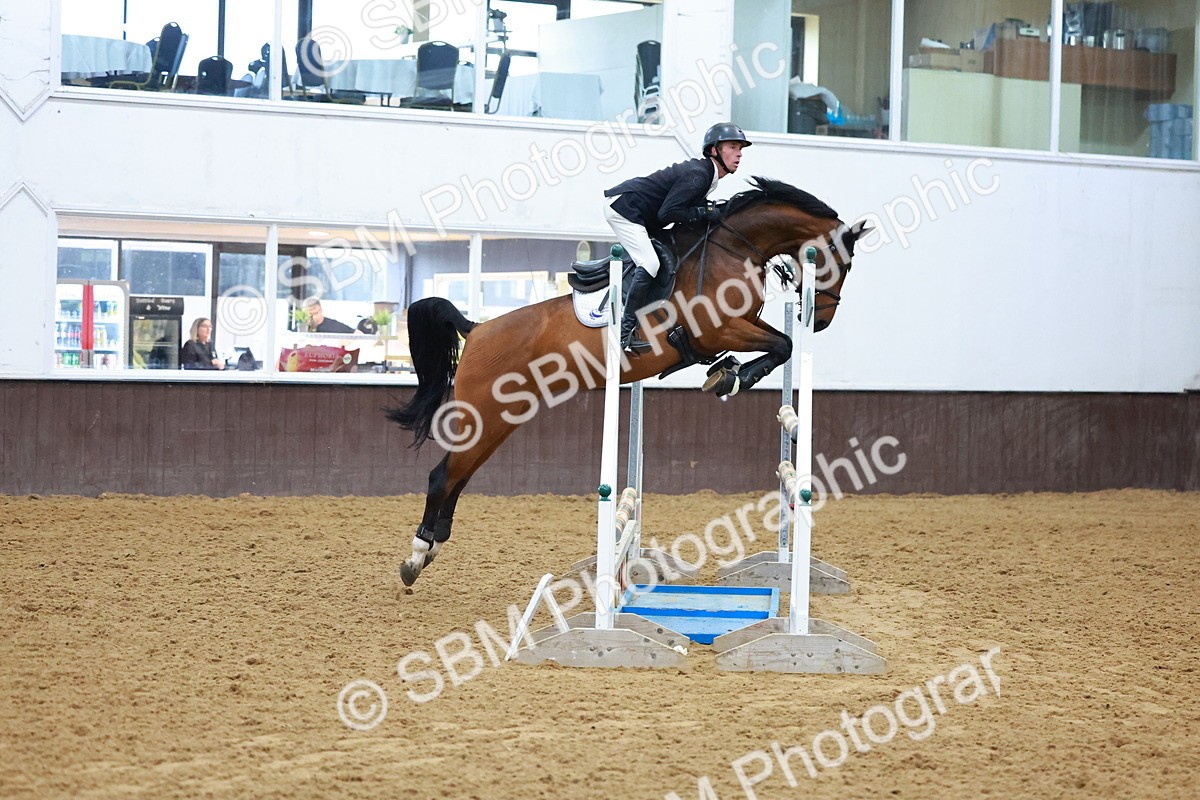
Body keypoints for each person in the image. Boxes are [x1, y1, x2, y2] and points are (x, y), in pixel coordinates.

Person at [604, 121, 752, 351]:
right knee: (651, 263)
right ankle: (624, 333)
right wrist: (704, 212)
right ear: (714, 150)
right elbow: (668, 213)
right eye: (733, 147)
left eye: (740, 149)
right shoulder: (699, 175)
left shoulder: (707, 176)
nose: (739, 154)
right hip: (625, 208)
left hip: (640, 212)